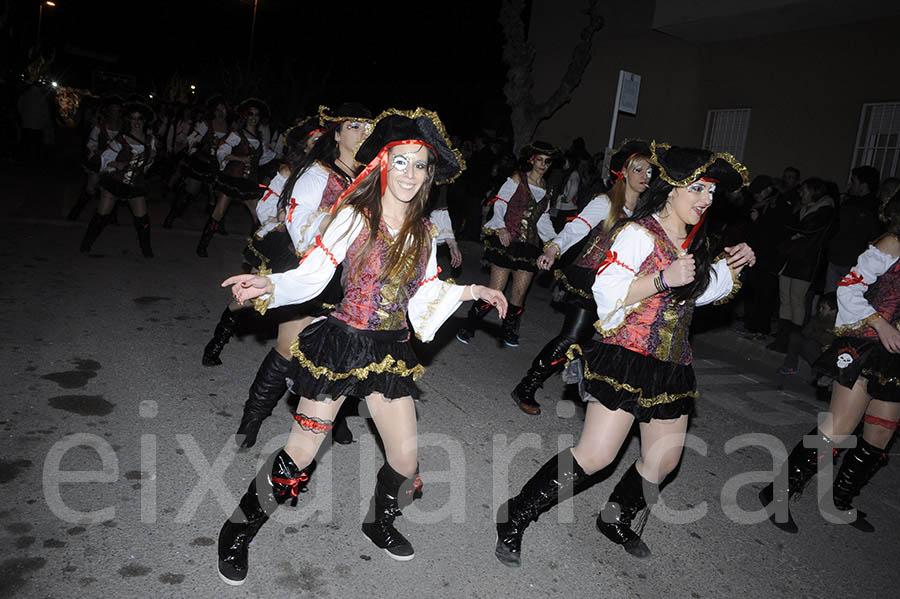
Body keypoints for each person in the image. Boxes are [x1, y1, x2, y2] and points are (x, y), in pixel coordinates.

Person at [215, 109, 506, 585]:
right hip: (342, 344)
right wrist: (266, 283)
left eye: (419, 165)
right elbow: (311, 276)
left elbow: (426, 293)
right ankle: (238, 531)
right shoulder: (354, 215)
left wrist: (472, 292)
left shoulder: (425, 230)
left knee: (406, 460)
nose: (410, 174)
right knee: (303, 449)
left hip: (389, 351)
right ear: (382, 164)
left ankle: (378, 523)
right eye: (402, 162)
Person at [495, 143, 752, 567]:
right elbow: (608, 296)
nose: (706, 200)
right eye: (697, 188)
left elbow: (698, 294)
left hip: (671, 363)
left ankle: (615, 516)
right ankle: (515, 515)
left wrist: (732, 268)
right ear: (671, 189)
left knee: (664, 459)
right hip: (627, 354)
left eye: (711, 192)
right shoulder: (638, 233)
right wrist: (661, 280)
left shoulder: (694, 240)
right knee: (597, 456)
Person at [220, 104, 370, 451]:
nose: (362, 132)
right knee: (289, 346)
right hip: (311, 268)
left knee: (343, 353)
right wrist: (333, 225)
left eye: (367, 126)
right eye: (354, 125)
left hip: (353, 276)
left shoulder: (371, 177)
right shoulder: (315, 173)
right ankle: (252, 417)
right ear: (337, 133)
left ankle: (336, 417)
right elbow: (300, 228)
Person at [759, 191, 900, 534]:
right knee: (838, 428)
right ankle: (777, 493)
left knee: (880, 433)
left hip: (895, 355)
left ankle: (842, 499)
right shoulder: (893, 244)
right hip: (866, 343)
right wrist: (880, 323)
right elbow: (848, 287)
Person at [510, 140, 651, 415]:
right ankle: (527, 385)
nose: (646, 176)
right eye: (639, 170)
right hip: (589, 278)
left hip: (619, 286)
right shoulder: (605, 201)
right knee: (572, 337)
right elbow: (577, 228)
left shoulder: (644, 214)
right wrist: (554, 247)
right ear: (623, 172)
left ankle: (596, 396)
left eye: (649, 172)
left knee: (595, 342)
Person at [457, 141, 558, 347]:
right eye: (539, 160)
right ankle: (470, 323)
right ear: (532, 160)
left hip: (529, 245)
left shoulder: (547, 190)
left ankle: (509, 328)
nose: (543, 165)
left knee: (519, 293)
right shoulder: (517, 179)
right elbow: (500, 204)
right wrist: (500, 227)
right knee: (496, 289)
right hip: (507, 241)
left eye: (547, 162)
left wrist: (551, 243)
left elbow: (543, 219)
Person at [196, 97, 275, 257]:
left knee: (257, 214)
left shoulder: (260, 138)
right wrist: (240, 159)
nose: (253, 117)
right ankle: (202, 245)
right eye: (251, 114)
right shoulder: (236, 134)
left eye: (256, 115)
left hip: (249, 182)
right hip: (233, 179)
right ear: (245, 116)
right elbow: (222, 151)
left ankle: (254, 250)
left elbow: (263, 157)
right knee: (219, 211)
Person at [79, 100, 157, 257]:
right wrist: (117, 163)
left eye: (140, 119)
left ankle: (147, 250)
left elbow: (149, 164)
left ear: (144, 121)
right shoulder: (121, 139)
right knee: (102, 216)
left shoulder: (151, 140)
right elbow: (105, 159)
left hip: (135, 184)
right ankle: (86, 244)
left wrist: (149, 161)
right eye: (133, 118)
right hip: (115, 181)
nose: (136, 122)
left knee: (143, 220)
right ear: (129, 120)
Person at [771, 178, 835, 351]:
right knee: (785, 299)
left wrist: (795, 233)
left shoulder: (825, 210)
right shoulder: (803, 208)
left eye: (804, 190)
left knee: (797, 300)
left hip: (805, 261)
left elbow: (805, 230)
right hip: (790, 258)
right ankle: (782, 338)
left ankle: (792, 341)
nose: (800, 194)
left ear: (814, 192)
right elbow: (789, 227)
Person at [162, 95, 231, 229]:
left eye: (223, 109)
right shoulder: (206, 124)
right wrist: (192, 150)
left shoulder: (230, 128)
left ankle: (217, 224)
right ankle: (172, 216)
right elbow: (191, 139)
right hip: (202, 163)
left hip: (218, 166)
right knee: (190, 191)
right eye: (217, 109)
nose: (220, 112)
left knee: (217, 196)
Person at [824, 165, 882, 292]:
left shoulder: (874, 208)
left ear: (863, 184)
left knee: (847, 298)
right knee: (829, 299)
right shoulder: (848, 202)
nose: (850, 185)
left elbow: (873, 236)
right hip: (836, 258)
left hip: (854, 263)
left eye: (854, 181)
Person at [68, 95, 123, 221]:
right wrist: (97, 152)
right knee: (90, 189)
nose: (114, 113)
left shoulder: (124, 128)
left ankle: (111, 217)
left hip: (115, 164)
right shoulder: (99, 127)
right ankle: (76, 212)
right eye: (112, 110)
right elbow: (91, 143)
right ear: (108, 111)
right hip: (100, 162)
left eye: (117, 111)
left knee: (112, 190)